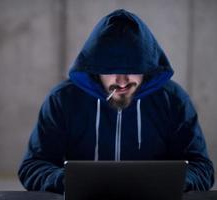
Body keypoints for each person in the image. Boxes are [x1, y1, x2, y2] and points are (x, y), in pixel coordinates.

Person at [18, 9, 214, 194]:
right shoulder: (62, 100)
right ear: (95, 67)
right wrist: (65, 181)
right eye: (111, 69)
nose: (121, 81)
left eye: (132, 68)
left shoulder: (174, 101)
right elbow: (33, 165)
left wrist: (174, 183)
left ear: (147, 68)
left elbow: (202, 167)